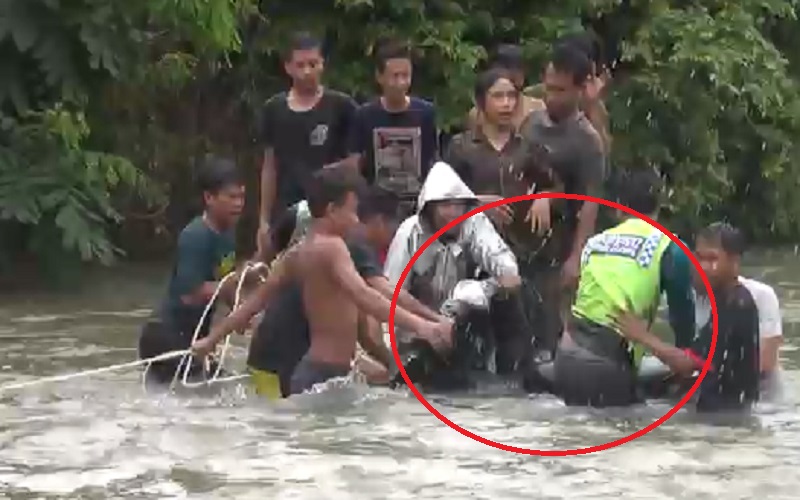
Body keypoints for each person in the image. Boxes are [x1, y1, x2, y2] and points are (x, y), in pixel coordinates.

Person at [194, 168, 453, 397]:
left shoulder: (297, 252)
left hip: (311, 373)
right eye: (352, 211)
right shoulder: (333, 247)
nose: (356, 220)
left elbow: (253, 304)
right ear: (331, 210)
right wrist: (423, 326)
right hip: (325, 374)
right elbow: (364, 296)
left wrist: (211, 340)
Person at [447, 68, 566, 363]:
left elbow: (558, 187)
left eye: (512, 96)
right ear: (481, 101)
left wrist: (545, 197)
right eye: (498, 96)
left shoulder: (529, 148)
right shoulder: (461, 148)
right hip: (474, 260)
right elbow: (440, 198)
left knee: (527, 348)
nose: (506, 104)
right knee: (475, 346)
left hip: (525, 256)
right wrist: (478, 203)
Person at [550, 168, 695, 407]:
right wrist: (684, 360)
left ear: (618, 208)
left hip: (566, 357)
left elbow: (580, 301)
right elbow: (683, 319)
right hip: (607, 366)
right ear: (659, 206)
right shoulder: (670, 248)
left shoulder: (595, 243)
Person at [383, 160, 523, 390]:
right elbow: (390, 292)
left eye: (458, 205)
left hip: (462, 328)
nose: (453, 212)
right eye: (445, 205)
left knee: (475, 293)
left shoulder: (473, 223)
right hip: (416, 333)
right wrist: (388, 355)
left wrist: (491, 284)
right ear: (429, 208)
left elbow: (504, 264)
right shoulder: (409, 233)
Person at [138, 158, 261, 387]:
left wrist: (241, 313)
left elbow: (225, 282)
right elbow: (191, 294)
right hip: (167, 337)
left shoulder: (228, 233)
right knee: (214, 392)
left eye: (242, 197)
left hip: (193, 337)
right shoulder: (195, 236)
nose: (239, 204)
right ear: (209, 198)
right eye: (231, 197)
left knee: (216, 389)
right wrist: (236, 281)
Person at [519, 43, 607, 356]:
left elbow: (591, 202)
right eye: (548, 87)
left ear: (580, 90)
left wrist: (577, 256)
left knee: (551, 326)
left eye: (560, 90)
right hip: (522, 239)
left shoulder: (587, 140)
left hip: (560, 243)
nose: (551, 96)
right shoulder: (531, 124)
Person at [618, 222, 761, 412]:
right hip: (723, 411)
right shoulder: (726, 300)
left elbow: (686, 364)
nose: (702, 266)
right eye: (698, 257)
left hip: (724, 418)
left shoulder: (736, 304)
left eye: (712, 258)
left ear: (734, 262)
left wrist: (642, 336)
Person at [257, 31, 358, 256]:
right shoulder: (274, 109)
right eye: (300, 65)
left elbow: (354, 162)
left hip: (329, 213)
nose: (307, 72)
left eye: (313, 64)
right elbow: (269, 167)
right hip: (286, 213)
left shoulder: (342, 106)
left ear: (322, 64)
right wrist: (263, 220)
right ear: (288, 67)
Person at [346, 40, 438, 217]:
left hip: (417, 203)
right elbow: (354, 162)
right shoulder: (364, 115)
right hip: (376, 207)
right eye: (395, 76)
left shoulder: (425, 113)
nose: (401, 83)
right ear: (379, 77)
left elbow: (432, 160)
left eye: (406, 76)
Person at [465, 44, 545, 132]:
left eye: (520, 69)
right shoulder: (478, 114)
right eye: (509, 69)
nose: (516, 74)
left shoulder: (538, 108)